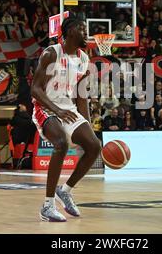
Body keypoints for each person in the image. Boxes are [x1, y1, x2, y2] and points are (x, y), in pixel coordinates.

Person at [30, 18, 102, 222]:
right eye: (82, 29)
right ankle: (47, 205)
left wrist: (87, 127)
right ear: (70, 31)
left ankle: (66, 190)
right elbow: (35, 89)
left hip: (68, 108)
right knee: (61, 143)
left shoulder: (84, 59)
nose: (86, 33)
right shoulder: (51, 53)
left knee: (94, 146)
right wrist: (56, 111)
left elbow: (81, 95)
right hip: (45, 107)